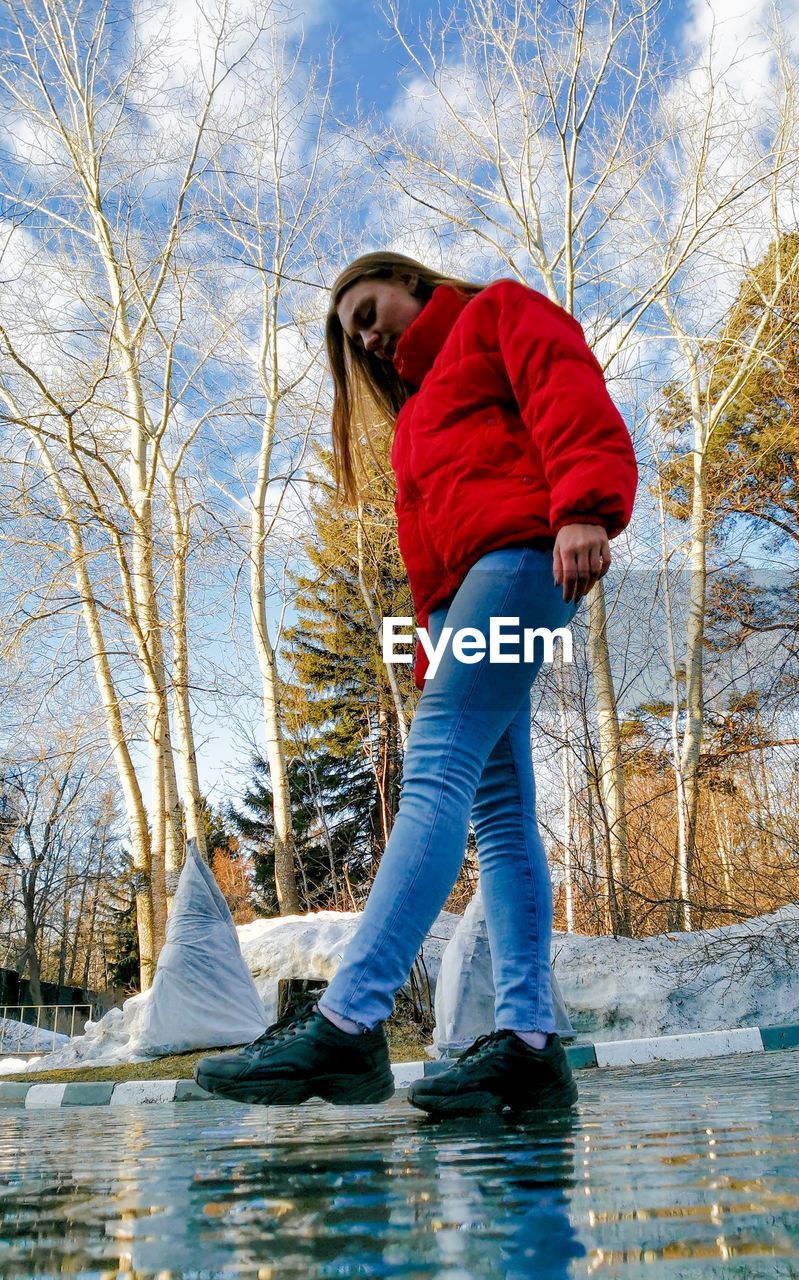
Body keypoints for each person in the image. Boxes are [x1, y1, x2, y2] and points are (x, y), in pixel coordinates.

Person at [195, 252, 638, 1116]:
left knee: (436, 769)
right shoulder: (413, 421)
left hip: (523, 559)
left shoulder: (495, 313)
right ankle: (528, 1046)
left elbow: (563, 384)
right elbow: (428, 557)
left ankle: (349, 1022)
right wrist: (431, 649)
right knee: (501, 817)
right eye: (352, 331)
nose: (365, 332)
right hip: (463, 598)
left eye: (369, 308)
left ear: (413, 284)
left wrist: (584, 504)